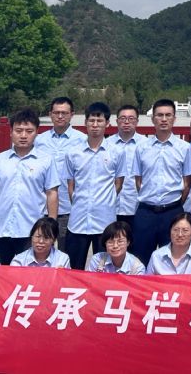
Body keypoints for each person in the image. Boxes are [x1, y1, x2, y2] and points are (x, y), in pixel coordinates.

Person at [0, 107, 60, 265]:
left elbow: (52, 193)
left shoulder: (46, 161)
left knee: (29, 274)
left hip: (31, 231)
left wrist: (51, 226)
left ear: (36, 133)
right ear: (11, 132)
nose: (23, 135)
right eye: (18, 130)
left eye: (29, 131)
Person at [65, 102, 128, 270]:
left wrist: (105, 201)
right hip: (78, 221)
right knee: (74, 268)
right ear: (85, 122)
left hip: (104, 222)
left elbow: (118, 183)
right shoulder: (73, 152)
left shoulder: (116, 152)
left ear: (107, 123)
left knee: (104, 269)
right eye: (91, 120)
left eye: (99, 121)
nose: (95, 125)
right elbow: (71, 186)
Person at [131, 99, 191, 265]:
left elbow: (187, 183)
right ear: (153, 119)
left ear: (174, 118)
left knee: (172, 260)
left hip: (172, 212)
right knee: (140, 260)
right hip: (146, 211)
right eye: (159, 115)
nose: (164, 119)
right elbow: (138, 180)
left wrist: (174, 203)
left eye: (168, 115)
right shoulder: (141, 147)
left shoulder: (184, 148)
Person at [34, 96, 86, 251]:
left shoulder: (82, 140)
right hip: (41, 207)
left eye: (64, 113)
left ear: (72, 114)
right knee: (40, 251)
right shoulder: (39, 140)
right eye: (56, 113)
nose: (60, 116)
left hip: (68, 207)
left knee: (66, 253)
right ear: (50, 114)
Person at [103, 104, 146, 255]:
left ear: (137, 121)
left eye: (131, 118)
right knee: (111, 249)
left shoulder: (145, 145)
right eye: (123, 118)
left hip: (136, 206)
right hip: (111, 207)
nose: (126, 122)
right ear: (116, 121)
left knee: (136, 250)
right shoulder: (106, 144)